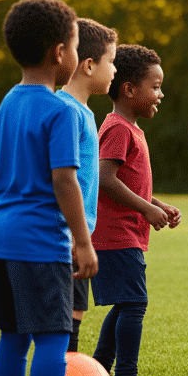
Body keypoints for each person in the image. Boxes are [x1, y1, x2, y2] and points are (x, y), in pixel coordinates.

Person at [0, 0, 97, 376]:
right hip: (39, 239)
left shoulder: (6, 105)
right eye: (73, 45)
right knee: (52, 335)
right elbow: (65, 180)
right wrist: (84, 243)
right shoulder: (60, 111)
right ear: (59, 54)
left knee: (13, 336)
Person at [90, 44, 181, 376]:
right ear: (129, 89)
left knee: (127, 301)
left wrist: (157, 204)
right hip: (116, 234)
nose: (160, 94)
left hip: (127, 234)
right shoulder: (118, 128)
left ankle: (99, 369)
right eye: (154, 86)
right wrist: (146, 209)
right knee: (135, 303)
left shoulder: (129, 128)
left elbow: (128, 182)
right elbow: (104, 178)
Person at [57, 19, 118, 354]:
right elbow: (61, 181)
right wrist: (75, 238)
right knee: (63, 318)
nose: (114, 69)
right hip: (65, 238)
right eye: (111, 61)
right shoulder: (65, 111)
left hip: (80, 237)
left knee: (75, 313)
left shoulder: (82, 112)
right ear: (89, 65)